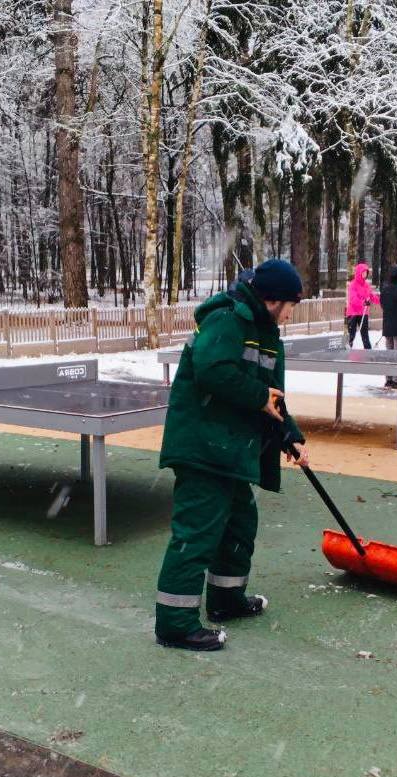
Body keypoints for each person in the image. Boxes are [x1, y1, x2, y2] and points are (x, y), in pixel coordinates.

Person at [155, 259, 310, 651]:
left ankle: (226, 600)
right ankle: (174, 623)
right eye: (291, 303)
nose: (292, 312)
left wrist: (289, 434)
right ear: (271, 298)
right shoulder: (225, 320)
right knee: (198, 532)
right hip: (203, 445)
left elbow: (271, 395)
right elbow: (212, 371)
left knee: (239, 524)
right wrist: (259, 397)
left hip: (232, 450)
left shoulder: (265, 331)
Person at [345, 262, 380, 349]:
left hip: (363, 313)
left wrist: (381, 301)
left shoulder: (366, 285)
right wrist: (363, 302)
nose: (365, 274)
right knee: (351, 333)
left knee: (365, 334)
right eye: (363, 272)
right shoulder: (353, 285)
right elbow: (353, 299)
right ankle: (348, 348)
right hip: (353, 312)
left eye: (366, 272)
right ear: (358, 273)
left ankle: (368, 350)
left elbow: (371, 296)